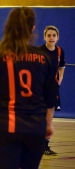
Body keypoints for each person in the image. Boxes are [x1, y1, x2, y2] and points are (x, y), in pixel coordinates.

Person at [0, 7, 57, 169]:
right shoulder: (44, 58)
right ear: (33, 29)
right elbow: (51, 95)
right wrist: (48, 123)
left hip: (5, 127)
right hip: (35, 128)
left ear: (8, 27)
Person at [39, 25, 66, 155]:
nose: (51, 38)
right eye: (49, 35)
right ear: (44, 37)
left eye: (54, 36)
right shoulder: (38, 51)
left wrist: (60, 79)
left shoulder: (60, 51)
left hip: (52, 89)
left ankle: (45, 146)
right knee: (37, 117)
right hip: (38, 89)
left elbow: (62, 67)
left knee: (49, 118)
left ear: (57, 37)